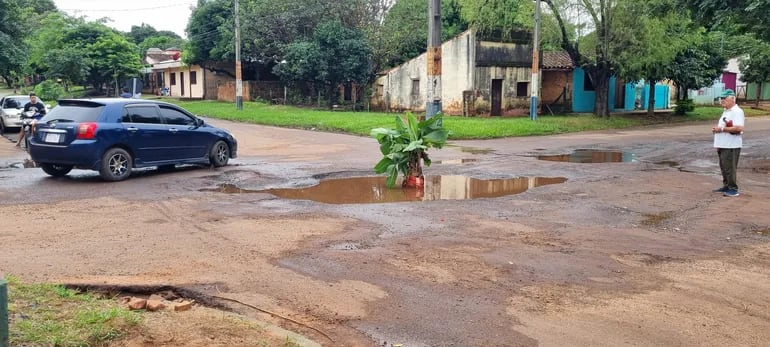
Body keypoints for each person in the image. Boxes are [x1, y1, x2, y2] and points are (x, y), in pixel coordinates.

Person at [712, 89, 745, 197]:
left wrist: (721, 129)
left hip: (731, 145)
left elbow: (739, 128)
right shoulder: (726, 111)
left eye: (724, 98)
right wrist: (718, 143)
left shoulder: (737, 111)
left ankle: (733, 189)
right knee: (724, 167)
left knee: (730, 168)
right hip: (723, 144)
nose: (722, 101)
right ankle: (726, 185)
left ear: (732, 99)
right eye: (721, 98)